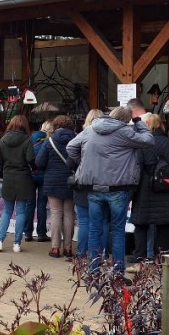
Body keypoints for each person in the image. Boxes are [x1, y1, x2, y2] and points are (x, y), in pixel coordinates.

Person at [67, 105, 154, 277]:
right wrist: (138, 122)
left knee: (94, 230)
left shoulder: (91, 129)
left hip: (94, 188)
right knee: (118, 232)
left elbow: (71, 147)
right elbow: (148, 140)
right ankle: (118, 273)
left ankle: (93, 271)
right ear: (126, 120)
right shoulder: (125, 132)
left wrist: (85, 164)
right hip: (118, 189)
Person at [131, 113, 169, 260]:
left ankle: (140, 257)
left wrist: (131, 192)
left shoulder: (142, 144)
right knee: (163, 226)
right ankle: (161, 257)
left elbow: (137, 169)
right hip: (167, 189)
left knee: (141, 226)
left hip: (145, 190)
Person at [0, 115, 34, 253]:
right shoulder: (27, 140)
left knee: (7, 211)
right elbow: (30, 159)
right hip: (23, 178)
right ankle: (16, 244)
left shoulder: (3, 139)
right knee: (21, 211)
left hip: (8, 177)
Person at [36, 114, 77, 258]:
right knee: (69, 213)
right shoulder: (77, 140)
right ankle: (68, 248)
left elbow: (39, 162)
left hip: (53, 181)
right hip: (71, 181)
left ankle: (55, 248)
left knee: (55, 213)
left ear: (56, 126)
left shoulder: (49, 142)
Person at [73, 109, 105, 259]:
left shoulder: (82, 136)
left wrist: (80, 164)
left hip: (83, 184)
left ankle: (81, 253)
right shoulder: (108, 137)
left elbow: (69, 160)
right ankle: (101, 253)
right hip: (102, 183)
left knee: (84, 221)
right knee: (102, 221)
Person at [24, 121, 50, 243]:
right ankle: (41, 233)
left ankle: (28, 233)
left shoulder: (30, 139)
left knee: (29, 204)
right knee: (41, 205)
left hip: (30, 175)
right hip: (45, 176)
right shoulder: (49, 141)